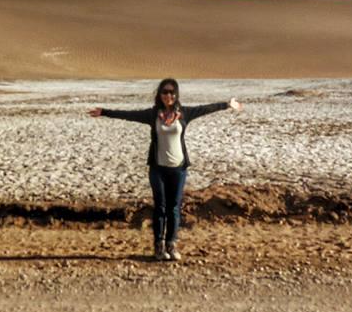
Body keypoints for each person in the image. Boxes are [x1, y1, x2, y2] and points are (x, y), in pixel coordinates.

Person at [88, 78, 242, 261]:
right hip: (158, 169)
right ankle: (159, 246)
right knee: (160, 208)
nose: (168, 96)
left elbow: (206, 108)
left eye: (171, 92)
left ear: (176, 95)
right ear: (159, 95)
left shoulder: (184, 114)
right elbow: (129, 114)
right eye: (165, 92)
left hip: (178, 169)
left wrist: (227, 104)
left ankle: (172, 244)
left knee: (174, 208)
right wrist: (105, 112)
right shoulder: (153, 115)